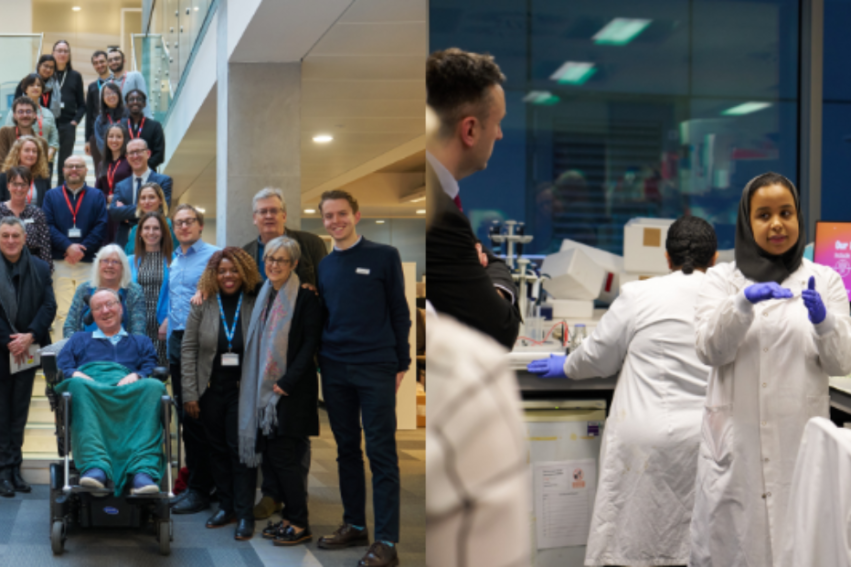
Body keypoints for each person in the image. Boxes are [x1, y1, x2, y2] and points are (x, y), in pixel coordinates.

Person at [527, 215, 718, 566]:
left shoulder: (639, 294)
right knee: (697, 545)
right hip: (709, 442)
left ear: (666, 257)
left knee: (634, 542)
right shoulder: (729, 300)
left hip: (646, 439)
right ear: (716, 258)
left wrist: (567, 365)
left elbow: (598, 357)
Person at [688, 172, 851, 567]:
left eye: (786, 212)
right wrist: (741, 304)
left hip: (799, 443)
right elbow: (709, 349)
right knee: (735, 546)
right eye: (763, 215)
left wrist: (824, 321)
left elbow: (841, 361)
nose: (777, 224)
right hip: (736, 447)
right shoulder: (722, 280)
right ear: (747, 221)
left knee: (800, 543)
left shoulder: (824, 279)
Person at [315, 190, 411, 567]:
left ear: (357, 215)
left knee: (382, 453)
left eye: (341, 214)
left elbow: (399, 312)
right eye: (328, 216)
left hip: (376, 367)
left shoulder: (384, 256)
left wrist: (401, 363)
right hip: (335, 366)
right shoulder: (325, 265)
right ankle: (354, 523)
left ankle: (387, 541)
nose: (335, 221)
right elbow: (325, 315)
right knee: (345, 451)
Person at [425, 48, 520, 350]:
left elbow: (469, 250)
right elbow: (499, 329)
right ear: (470, 130)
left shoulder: (440, 199)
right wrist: (499, 283)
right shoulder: (439, 216)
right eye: (497, 122)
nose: (500, 135)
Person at [244, 187, 326, 521]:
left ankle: (296, 505)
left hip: (293, 375)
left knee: (291, 447)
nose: (268, 215)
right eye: (262, 211)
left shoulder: (309, 246)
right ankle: (275, 496)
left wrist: (290, 378)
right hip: (263, 370)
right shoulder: (254, 264)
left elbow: (313, 329)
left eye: (273, 210)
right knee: (273, 444)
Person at [182, 247, 261, 540]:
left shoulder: (256, 300)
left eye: (234, 270)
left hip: (244, 390)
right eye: (222, 270)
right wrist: (190, 392)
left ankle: (244, 513)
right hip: (211, 389)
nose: (228, 275)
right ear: (214, 274)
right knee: (216, 450)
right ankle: (226, 506)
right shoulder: (203, 303)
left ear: (245, 271)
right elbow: (188, 348)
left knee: (241, 451)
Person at [54, 288, 163, 496]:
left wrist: (138, 375)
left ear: (121, 308)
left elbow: (150, 365)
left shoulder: (140, 342)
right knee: (76, 386)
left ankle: (142, 472)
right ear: (92, 315)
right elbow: (64, 366)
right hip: (90, 390)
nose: (105, 311)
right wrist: (76, 374)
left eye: (110, 304)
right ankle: (96, 468)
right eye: (97, 307)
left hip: (129, 392)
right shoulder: (78, 339)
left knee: (155, 387)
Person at [168, 204, 220, 515]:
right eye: (178, 223)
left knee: (201, 418)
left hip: (203, 344)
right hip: (177, 341)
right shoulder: (175, 259)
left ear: (200, 225)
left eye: (189, 222)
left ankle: (202, 488)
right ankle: (198, 484)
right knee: (188, 419)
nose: (184, 227)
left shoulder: (215, 257)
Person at [0, 217, 56, 497]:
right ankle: (2, 471)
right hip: (2, 349)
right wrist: (11, 341)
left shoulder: (40, 267)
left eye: (15, 236)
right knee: (1, 412)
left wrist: (30, 336)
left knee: (19, 412)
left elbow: (49, 305)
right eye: (5, 236)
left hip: (28, 350)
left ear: (24, 238)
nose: (10, 241)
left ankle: (15, 468)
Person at [42, 155, 108, 340]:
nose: (74, 169)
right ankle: (62, 359)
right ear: (62, 170)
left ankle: (87, 356)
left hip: (87, 263)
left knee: (89, 310)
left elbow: (101, 225)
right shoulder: (51, 195)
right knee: (62, 312)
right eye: (70, 166)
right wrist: (68, 247)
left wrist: (81, 249)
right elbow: (47, 225)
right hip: (60, 261)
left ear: (86, 170)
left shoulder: (97, 196)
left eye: (79, 166)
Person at [63, 244, 145, 338]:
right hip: (85, 349)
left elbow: (139, 330)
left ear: (123, 267)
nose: (110, 265)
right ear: (98, 264)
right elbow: (69, 326)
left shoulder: (134, 291)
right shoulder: (83, 289)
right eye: (105, 261)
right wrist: (76, 347)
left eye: (115, 262)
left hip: (121, 349)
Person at [110, 139, 173, 248]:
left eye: (138, 151)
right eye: (131, 153)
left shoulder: (163, 181)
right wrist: (148, 208)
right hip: (126, 242)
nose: (135, 156)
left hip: (155, 242)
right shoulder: (121, 185)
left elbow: (162, 210)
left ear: (148, 153)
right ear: (127, 157)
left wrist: (126, 214)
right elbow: (114, 212)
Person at [129, 212, 172, 366]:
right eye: (146, 228)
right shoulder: (129, 262)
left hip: (163, 329)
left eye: (156, 228)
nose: (151, 232)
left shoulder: (173, 261)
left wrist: (170, 320)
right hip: (136, 330)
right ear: (140, 232)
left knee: (162, 375)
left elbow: (179, 296)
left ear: (163, 233)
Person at [0, 166, 53, 269]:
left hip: (31, 268)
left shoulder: (37, 213)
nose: (19, 189)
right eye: (15, 184)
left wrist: (47, 272)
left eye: (23, 184)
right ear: (8, 186)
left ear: (29, 187)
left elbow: (45, 247)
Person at [5, 75, 59, 171]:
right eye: (32, 85)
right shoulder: (15, 112)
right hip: (19, 161)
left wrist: (49, 153)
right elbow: (9, 136)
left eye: (38, 85)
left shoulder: (48, 113)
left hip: (44, 160)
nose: (35, 87)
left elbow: (54, 138)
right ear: (25, 89)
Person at [51, 40, 86, 187]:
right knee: (46, 163)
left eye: (65, 51)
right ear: (53, 53)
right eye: (59, 50)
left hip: (68, 125)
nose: (62, 54)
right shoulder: (47, 74)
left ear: (69, 54)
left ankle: (61, 194)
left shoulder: (75, 76)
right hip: (49, 126)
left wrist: (75, 122)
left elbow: (83, 105)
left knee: (64, 164)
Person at [123, 182, 177, 256]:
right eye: (143, 198)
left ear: (160, 200)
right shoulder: (134, 229)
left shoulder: (171, 226)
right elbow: (127, 257)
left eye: (151, 197)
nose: (147, 202)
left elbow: (177, 256)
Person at [0, 136, 52, 206]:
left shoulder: (43, 177)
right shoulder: (4, 177)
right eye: (27, 150)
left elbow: (47, 204)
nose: (31, 154)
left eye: (34, 151)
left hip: (36, 216)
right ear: (17, 153)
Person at [0, 97, 49, 166]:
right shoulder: (5, 132)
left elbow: (43, 169)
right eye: (20, 112)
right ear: (14, 115)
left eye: (28, 111)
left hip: (32, 176)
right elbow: (1, 163)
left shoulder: (42, 142)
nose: (25, 115)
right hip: (8, 176)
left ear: (34, 115)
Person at [85, 50, 113, 166]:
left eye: (102, 61)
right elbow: (89, 114)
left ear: (107, 62)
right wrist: (87, 140)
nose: (99, 65)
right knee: (100, 171)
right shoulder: (92, 87)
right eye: (96, 63)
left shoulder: (116, 83)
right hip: (97, 133)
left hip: (115, 131)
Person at [124, 90, 165, 170]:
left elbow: (159, 155)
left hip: (148, 175)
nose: (135, 102)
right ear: (126, 104)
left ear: (144, 104)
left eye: (139, 99)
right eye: (131, 99)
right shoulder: (120, 127)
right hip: (125, 175)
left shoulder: (155, 126)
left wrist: (142, 167)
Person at [106, 48, 152, 118]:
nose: (113, 62)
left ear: (124, 60)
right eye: (110, 60)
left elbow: (144, 100)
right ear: (108, 64)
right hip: (116, 124)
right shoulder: (107, 85)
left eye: (117, 59)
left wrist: (148, 121)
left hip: (135, 122)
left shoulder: (135, 76)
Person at [15, 55, 62, 121]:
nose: (48, 69)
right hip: (27, 122)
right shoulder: (26, 82)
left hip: (48, 123)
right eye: (46, 66)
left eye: (51, 67)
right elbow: (16, 105)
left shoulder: (55, 86)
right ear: (38, 65)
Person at [93, 83, 127, 158]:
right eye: (107, 94)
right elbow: (100, 142)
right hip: (110, 159)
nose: (111, 96)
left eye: (113, 92)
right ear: (102, 98)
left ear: (119, 95)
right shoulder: (100, 119)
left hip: (129, 157)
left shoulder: (128, 114)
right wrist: (112, 157)